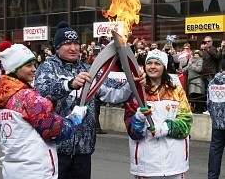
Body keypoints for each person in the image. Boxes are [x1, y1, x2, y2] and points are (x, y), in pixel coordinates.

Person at [34, 21, 146, 179]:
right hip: (55, 148)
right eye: (67, 44)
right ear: (57, 47)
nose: (73, 48)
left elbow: (114, 93)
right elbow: (41, 93)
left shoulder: (89, 69)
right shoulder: (47, 68)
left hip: (83, 150)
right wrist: (70, 84)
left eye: (76, 43)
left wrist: (132, 83)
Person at [0, 41, 88, 179]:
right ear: (14, 69)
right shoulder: (28, 98)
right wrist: (75, 117)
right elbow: (55, 131)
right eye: (28, 65)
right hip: (35, 171)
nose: (34, 69)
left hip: (12, 171)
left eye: (34, 64)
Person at [124, 49, 193, 179]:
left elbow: (187, 122)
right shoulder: (137, 91)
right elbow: (132, 132)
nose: (153, 67)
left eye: (157, 63)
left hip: (175, 164)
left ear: (164, 67)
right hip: (147, 165)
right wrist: (138, 118)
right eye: (149, 63)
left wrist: (166, 129)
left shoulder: (176, 90)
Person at [207, 58, 225, 179]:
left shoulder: (212, 82)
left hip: (217, 123)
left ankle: (212, 177)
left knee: (215, 151)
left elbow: (208, 103)